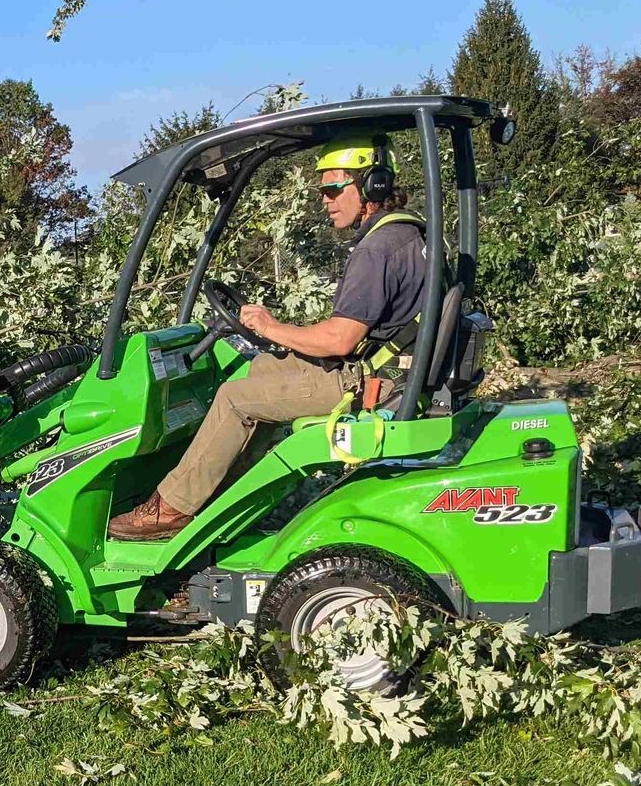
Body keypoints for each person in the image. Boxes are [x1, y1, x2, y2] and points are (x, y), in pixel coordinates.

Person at [108, 135, 431, 542]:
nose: (326, 201)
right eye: (321, 191)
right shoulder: (408, 234)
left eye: (334, 189)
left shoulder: (375, 250)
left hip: (370, 384)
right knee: (261, 367)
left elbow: (340, 340)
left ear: (372, 187)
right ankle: (226, 493)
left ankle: (170, 510)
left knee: (233, 399)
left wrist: (270, 327)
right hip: (391, 370)